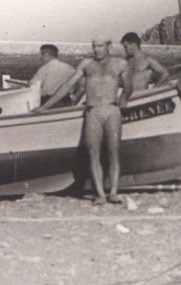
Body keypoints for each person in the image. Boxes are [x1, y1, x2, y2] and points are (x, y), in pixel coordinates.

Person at [37, 36, 132, 204]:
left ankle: (114, 192)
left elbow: (128, 86)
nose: (96, 49)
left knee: (113, 151)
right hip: (93, 110)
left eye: (100, 46)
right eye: (94, 46)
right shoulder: (87, 64)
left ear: (108, 46)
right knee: (93, 152)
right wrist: (46, 107)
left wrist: (124, 97)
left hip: (112, 109)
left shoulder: (120, 64)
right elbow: (67, 86)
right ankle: (100, 194)